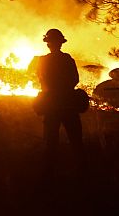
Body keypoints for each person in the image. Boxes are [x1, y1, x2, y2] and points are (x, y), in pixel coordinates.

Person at [33, 28, 84, 173]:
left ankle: (49, 174)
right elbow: (75, 79)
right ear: (61, 43)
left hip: (51, 106)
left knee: (50, 142)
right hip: (68, 104)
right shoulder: (68, 59)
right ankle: (82, 172)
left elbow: (41, 79)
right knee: (76, 141)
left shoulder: (42, 61)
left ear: (48, 44)